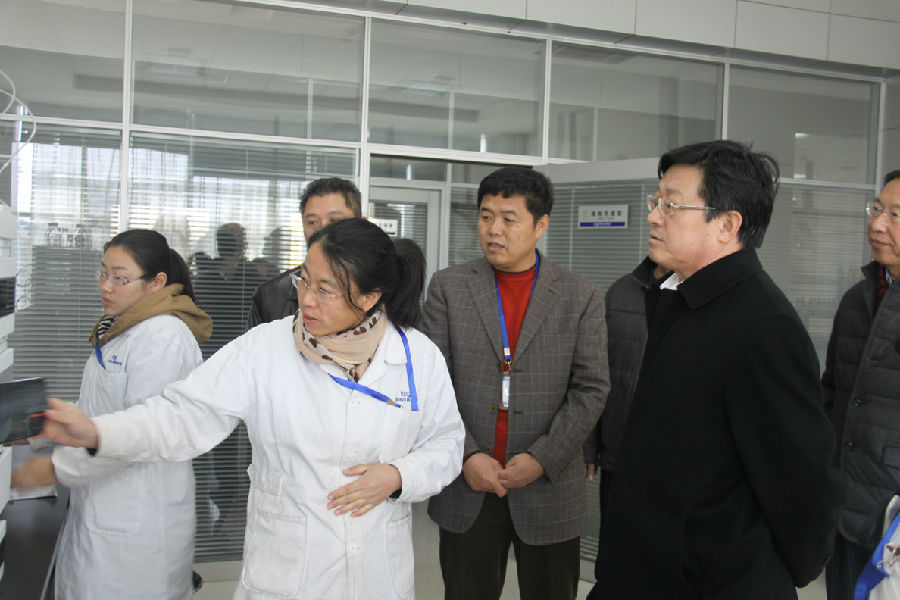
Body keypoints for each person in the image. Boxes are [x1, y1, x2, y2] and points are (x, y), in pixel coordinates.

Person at [40, 218, 465, 600]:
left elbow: (446, 442)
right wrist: (100, 433)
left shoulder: (417, 356)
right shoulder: (265, 347)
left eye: (325, 290)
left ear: (370, 297)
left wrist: (398, 476)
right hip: (287, 573)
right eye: (304, 281)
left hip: (377, 573)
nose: (306, 300)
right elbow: (181, 416)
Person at [590, 140, 841, 599]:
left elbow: (800, 480)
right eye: (656, 201)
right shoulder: (679, 297)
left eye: (671, 205)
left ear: (727, 225)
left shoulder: (764, 326)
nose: (654, 216)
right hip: (647, 565)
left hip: (710, 578)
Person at [422, 166, 609, 600]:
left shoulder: (580, 295)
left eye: (509, 219)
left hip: (548, 485)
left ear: (540, 225)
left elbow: (591, 388)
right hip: (469, 482)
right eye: (486, 216)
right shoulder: (449, 287)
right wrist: (467, 455)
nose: (494, 229)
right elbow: (431, 384)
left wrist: (543, 458)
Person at [12, 229, 212, 600]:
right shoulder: (124, 328)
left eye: (119, 278)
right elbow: (100, 409)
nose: (106, 286)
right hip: (102, 509)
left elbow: (140, 433)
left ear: (156, 282)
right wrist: (44, 422)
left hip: (136, 521)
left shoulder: (163, 336)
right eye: (103, 273)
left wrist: (54, 468)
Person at [823, 169, 900, 600]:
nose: (877, 224)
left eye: (895, 214)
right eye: (876, 209)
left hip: (893, 520)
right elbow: (832, 391)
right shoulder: (857, 298)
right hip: (844, 510)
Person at [582, 256, 667, 599]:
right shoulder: (622, 292)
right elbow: (595, 375)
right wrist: (590, 444)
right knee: (614, 561)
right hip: (619, 455)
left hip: (672, 465)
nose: (657, 229)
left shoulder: (704, 295)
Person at [247, 177, 361, 328]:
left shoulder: (386, 293)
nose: (322, 230)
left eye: (335, 220)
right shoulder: (271, 297)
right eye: (312, 222)